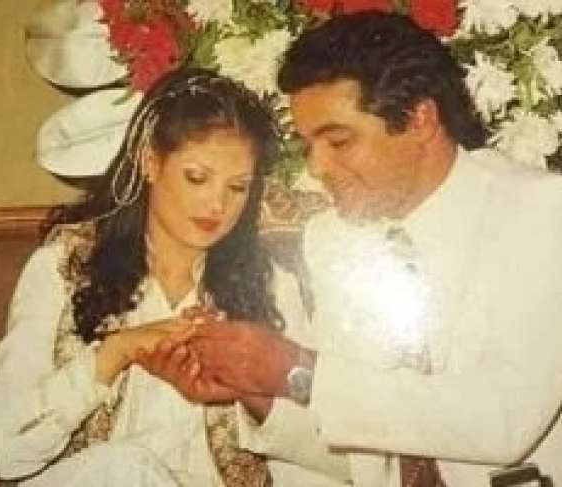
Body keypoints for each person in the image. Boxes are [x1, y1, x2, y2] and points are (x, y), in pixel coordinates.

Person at [174, 12, 562, 487]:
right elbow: (368, 454)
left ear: (420, 120)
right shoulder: (333, 239)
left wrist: (296, 370)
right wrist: (257, 387)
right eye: (308, 145)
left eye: (338, 141)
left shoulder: (543, 212)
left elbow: (500, 421)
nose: (317, 168)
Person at [0, 67, 350, 486]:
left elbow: (337, 459)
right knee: (125, 467)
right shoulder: (64, 266)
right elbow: (3, 452)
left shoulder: (269, 284)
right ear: (151, 162)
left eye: (237, 187)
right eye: (197, 178)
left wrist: (249, 393)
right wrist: (114, 354)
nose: (217, 204)